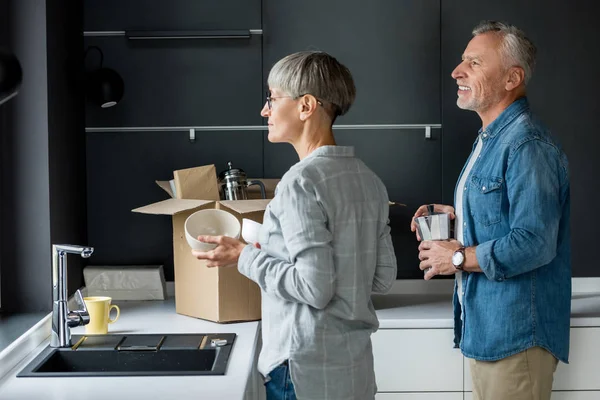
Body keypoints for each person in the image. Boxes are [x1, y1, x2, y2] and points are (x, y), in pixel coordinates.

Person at [192, 51, 397, 400]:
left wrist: (243, 256)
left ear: (306, 106)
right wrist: (272, 252)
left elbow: (314, 288)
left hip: (304, 371)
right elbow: (382, 277)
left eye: (272, 98)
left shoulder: (300, 182)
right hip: (354, 371)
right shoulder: (369, 181)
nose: (265, 110)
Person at [411, 21, 570, 400]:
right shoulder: (492, 139)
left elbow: (534, 241)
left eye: (475, 63)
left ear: (512, 77)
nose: (457, 71)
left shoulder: (526, 144)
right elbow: (507, 218)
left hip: (516, 337)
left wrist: (460, 257)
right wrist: (460, 213)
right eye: (462, 61)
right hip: (488, 331)